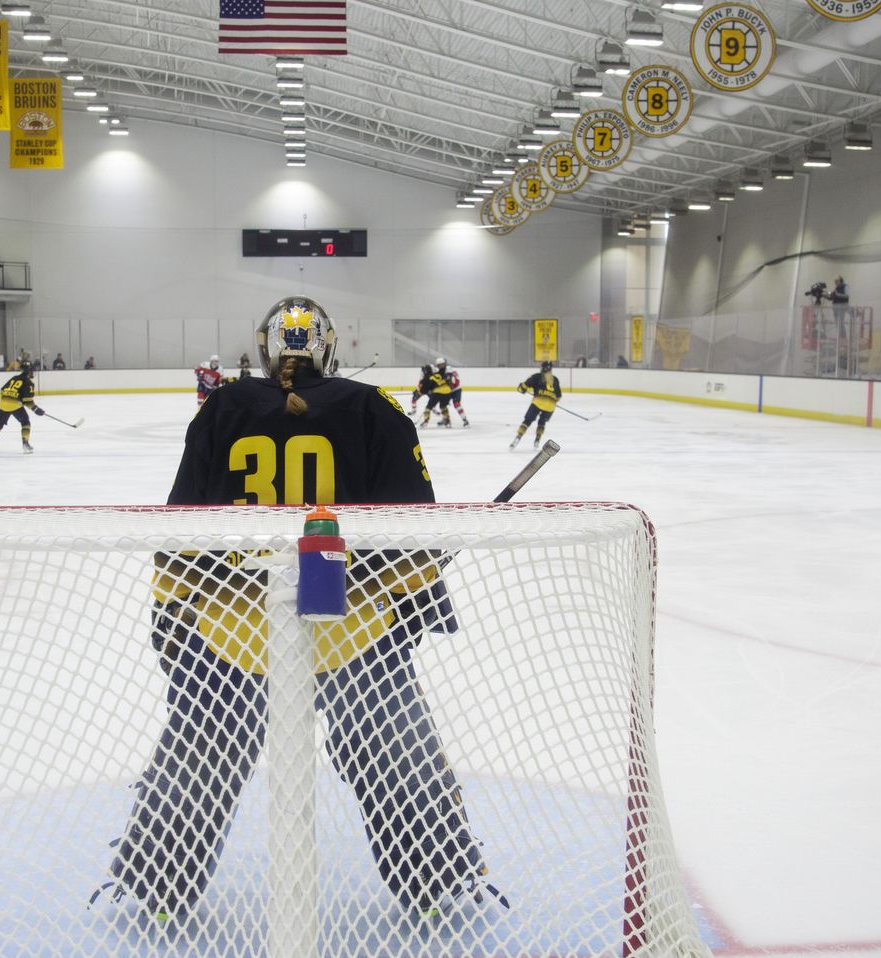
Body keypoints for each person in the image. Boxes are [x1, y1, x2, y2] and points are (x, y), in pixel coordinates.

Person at [100, 295, 494, 920]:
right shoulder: (376, 408)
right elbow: (410, 529)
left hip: (232, 628)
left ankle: (154, 879)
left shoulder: (221, 409)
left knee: (198, 754)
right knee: (393, 751)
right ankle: (439, 874)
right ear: (328, 347)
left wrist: (171, 610)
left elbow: (182, 527)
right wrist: (418, 602)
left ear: (264, 348)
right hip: (352, 627)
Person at [0, 365, 43, 453]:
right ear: (29, 372)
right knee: (25, 422)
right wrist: (36, 409)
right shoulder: (29, 382)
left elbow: (2, 390)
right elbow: (27, 401)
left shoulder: (14, 378)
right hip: (15, 405)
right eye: (32, 371)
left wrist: (12, 395)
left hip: (2, 403)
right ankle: (25, 443)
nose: (33, 373)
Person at [512, 359, 563, 449]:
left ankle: (518, 436)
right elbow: (558, 396)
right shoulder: (555, 379)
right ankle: (537, 439)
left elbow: (523, 387)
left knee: (527, 420)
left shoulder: (537, 376)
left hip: (538, 402)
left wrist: (521, 389)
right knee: (542, 422)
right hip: (550, 406)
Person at [438, 356, 469, 426]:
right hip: (447, 391)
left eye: (442, 365)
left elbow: (456, 382)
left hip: (456, 390)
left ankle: (464, 419)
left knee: (456, 404)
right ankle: (445, 419)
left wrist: (450, 384)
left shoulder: (450, 370)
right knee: (443, 405)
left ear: (445, 364)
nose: (440, 367)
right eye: (439, 365)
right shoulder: (440, 372)